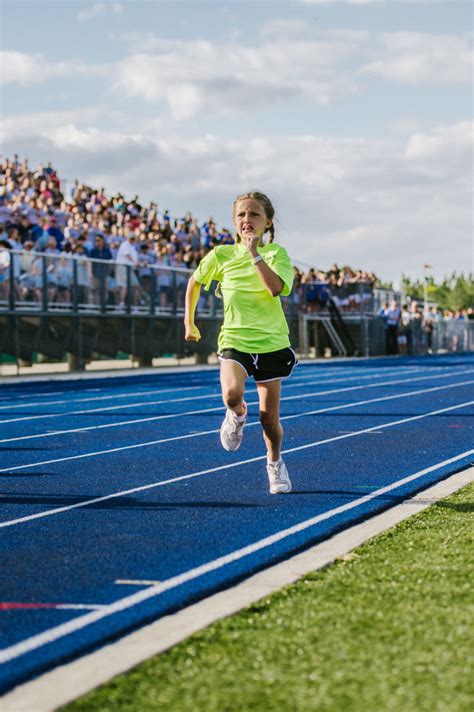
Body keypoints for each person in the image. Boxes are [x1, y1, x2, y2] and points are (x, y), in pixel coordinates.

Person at [184, 191, 297, 494]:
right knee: (232, 395)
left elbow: (275, 288)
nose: (247, 220)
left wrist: (254, 254)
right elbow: (194, 282)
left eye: (254, 215)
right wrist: (189, 321)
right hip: (234, 339)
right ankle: (236, 415)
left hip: (271, 343)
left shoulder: (277, 255)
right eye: (241, 215)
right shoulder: (221, 255)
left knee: (269, 419)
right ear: (234, 222)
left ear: (267, 222)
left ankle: (274, 464)